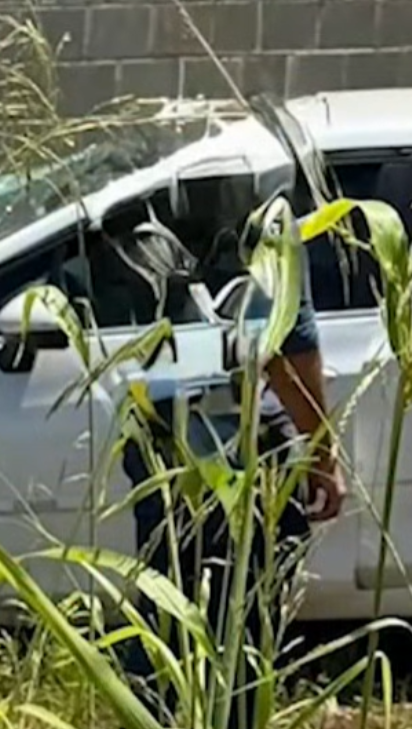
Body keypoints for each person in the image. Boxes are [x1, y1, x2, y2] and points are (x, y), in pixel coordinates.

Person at [118, 177, 343, 729]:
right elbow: (290, 356)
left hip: (159, 439)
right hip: (239, 447)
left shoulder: (130, 221)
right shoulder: (267, 228)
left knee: (170, 606)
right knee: (240, 623)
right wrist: (323, 457)